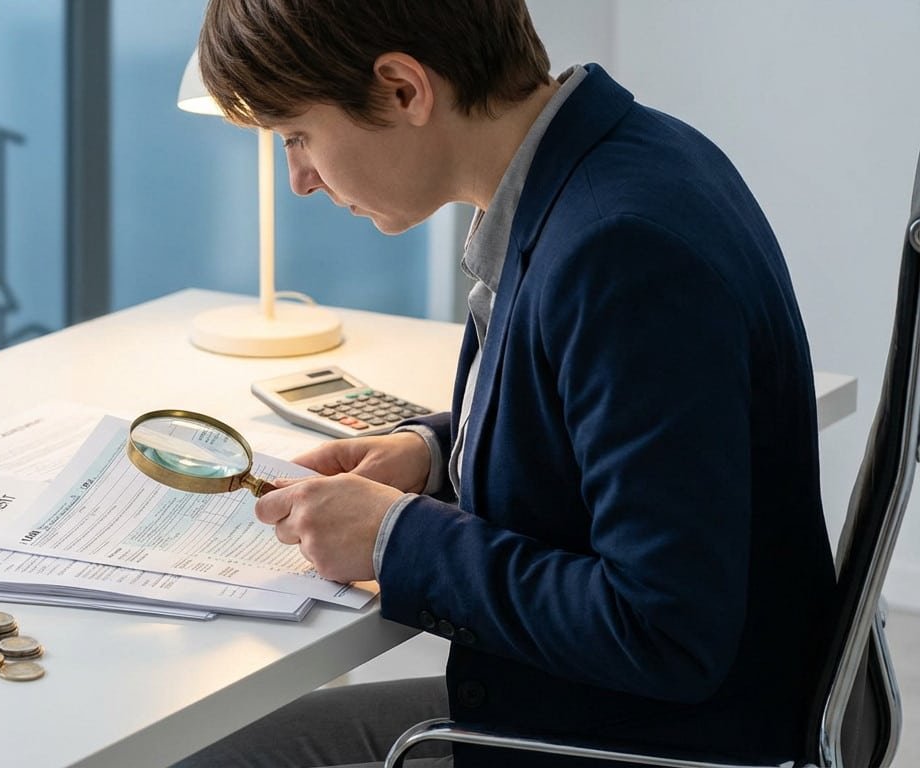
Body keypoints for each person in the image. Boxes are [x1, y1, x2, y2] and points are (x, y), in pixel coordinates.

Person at [176, 1, 837, 767]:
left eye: (297, 135)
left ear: (401, 88)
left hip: (643, 741)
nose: (298, 179)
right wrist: (431, 453)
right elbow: (591, 419)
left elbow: (664, 630)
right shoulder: (619, 161)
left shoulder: (619, 249)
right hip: (616, 712)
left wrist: (395, 537)